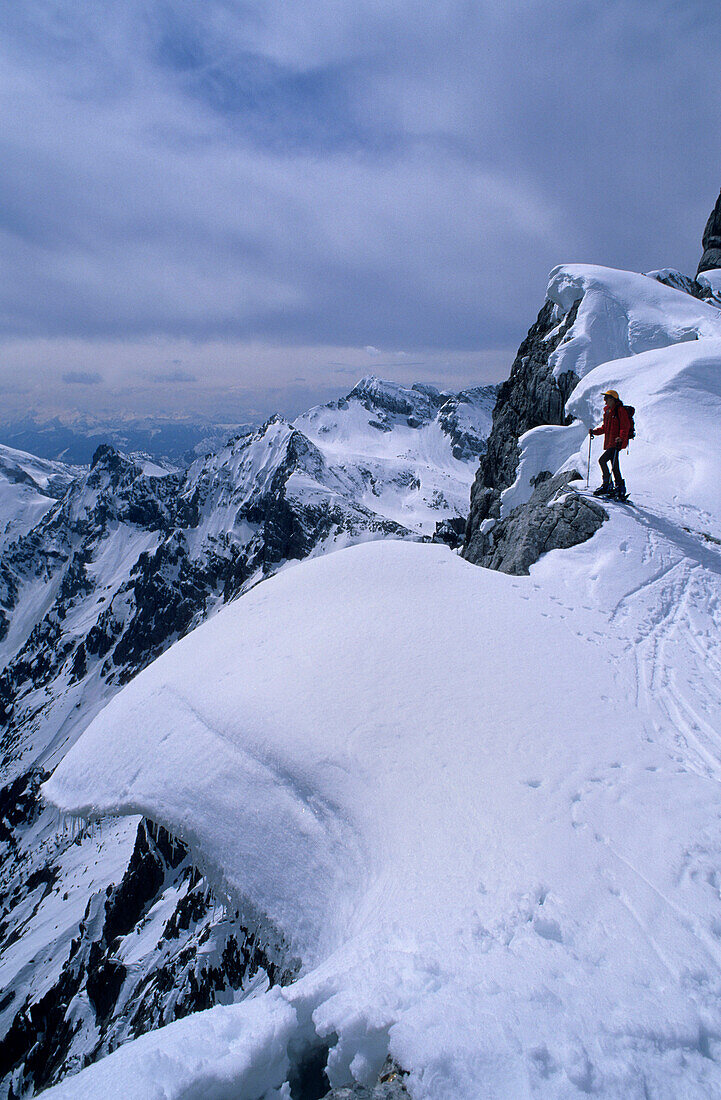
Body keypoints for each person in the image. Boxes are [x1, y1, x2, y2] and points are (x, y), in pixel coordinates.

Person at [589, 389, 631, 499]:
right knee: (615, 465)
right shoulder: (608, 412)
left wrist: (620, 438)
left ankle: (607, 485)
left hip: (616, 443)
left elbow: (624, 426)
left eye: (606, 398)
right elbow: (605, 428)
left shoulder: (619, 410)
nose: (604, 400)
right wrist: (595, 432)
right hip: (612, 443)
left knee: (602, 460)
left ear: (612, 399)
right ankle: (619, 488)